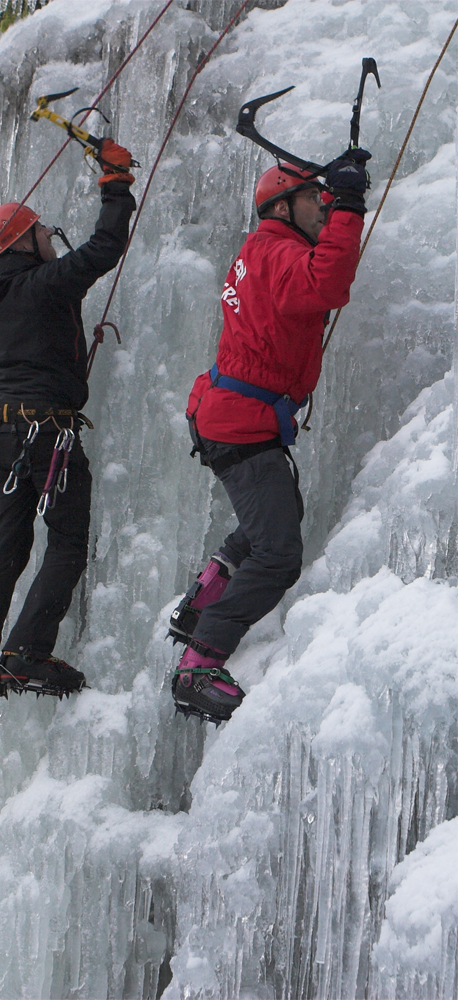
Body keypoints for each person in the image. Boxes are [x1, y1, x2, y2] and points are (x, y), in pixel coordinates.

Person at [170, 149, 371, 724]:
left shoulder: (267, 250)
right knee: (279, 554)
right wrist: (351, 204)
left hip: (231, 416)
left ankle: (200, 604)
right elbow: (328, 281)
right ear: (282, 206)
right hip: (242, 423)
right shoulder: (279, 252)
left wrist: (338, 199)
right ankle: (199, 663)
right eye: (314, 200)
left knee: (270, 523)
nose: (322, 207)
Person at [0, 139, 136, 703]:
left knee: (8, 544)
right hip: (48, 434)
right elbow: (105, 246)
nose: (53, 241)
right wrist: (116, 183)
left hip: (6, 433)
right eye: (47, 234)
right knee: (68, 542)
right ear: (28, 240)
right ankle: (26, 650)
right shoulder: (46, 282)